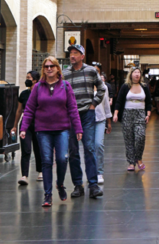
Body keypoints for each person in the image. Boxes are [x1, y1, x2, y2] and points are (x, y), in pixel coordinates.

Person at [20, 56, 82, 206]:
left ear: (57, 69)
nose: (49, 69)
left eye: (52, 66)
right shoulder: (38, 88)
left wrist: (78, 128)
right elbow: (29, 109)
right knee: (46, 161)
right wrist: (24, 128)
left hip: (62, 129)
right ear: (43, 69)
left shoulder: (65, 86)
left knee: (62, 159)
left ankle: (60, 184)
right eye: (46, 66)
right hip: (43, 130)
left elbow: (73, 109)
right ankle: (47, 194)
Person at [62, 44, 105, 198]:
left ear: (82, 56)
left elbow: (102, 88)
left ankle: (93, 185)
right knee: (72, 151)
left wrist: (94, 104)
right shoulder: (64, 74)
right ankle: (78, 185)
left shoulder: (91, 71)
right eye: (70, 53)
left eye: (75, 53)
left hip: (87, 114)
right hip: (71, 116)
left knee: (89, 148)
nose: (72, 56)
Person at [113, 66, 151, 171]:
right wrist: (116, 113)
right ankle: (131, 163)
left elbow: (148, 102)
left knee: (140, 136)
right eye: (135, 72)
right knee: (129, 139)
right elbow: (119, 101)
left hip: (140, 114)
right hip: (127, 114)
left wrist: (148, 114)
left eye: (138, 72)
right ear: (131, 74)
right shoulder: (125, 86)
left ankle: (138, 158)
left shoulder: (144, 86)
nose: (137, 74)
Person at [14, 70, 42, 186]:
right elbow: (19, 110)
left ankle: (40, 171)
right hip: (26, 124)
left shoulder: (41, 92)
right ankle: (24, 175)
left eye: (28, 78)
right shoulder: (24, 94)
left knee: (38, 148)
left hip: (39, 123)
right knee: (26, 149)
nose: (27, 80)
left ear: (35, 80)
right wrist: (15, 125)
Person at [92, 62, 111, 185]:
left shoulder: (103, 86)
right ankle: (90, 172)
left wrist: (109, 122)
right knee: (89, 147)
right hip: (87, 120)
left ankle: (99, 172)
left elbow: (106, 105)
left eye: (97, 71)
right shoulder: (86, 85)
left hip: (100, 119)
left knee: (98, 144)